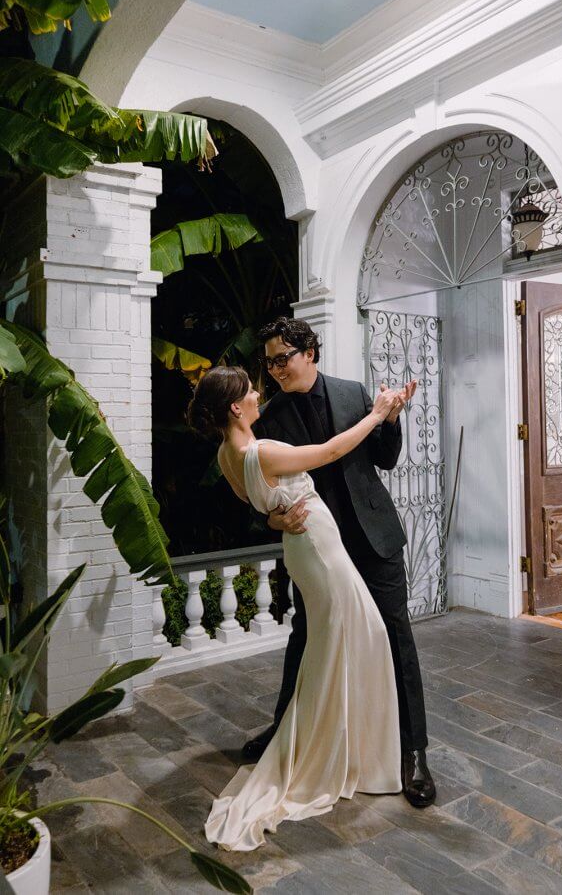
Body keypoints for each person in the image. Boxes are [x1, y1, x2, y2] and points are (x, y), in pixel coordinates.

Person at [189, 365, 405, 850]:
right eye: (250, 391)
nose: (258, 393)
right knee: (359, 637)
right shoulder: (260, 449)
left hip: (304, 548)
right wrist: (376, 416)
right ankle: (334, 751)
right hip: (319, 553)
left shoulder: (228, 453)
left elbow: (255, 502)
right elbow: (328, 453)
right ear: (235, 407)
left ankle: (339, 740)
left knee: (334, 646)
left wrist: (272, 515)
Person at [244, 317, 435, 809]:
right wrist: (272, 524)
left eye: (282, 357)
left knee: (398, 639)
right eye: (268, 362)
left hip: (374, 540)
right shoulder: (267, 418)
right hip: (318, 551)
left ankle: (414, 754)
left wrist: (390, 419)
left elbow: (386, 459)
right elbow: (254, 494)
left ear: (310, 352)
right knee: (305, 639)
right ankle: (281, 733)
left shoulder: (352, 393)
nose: (275, 368)